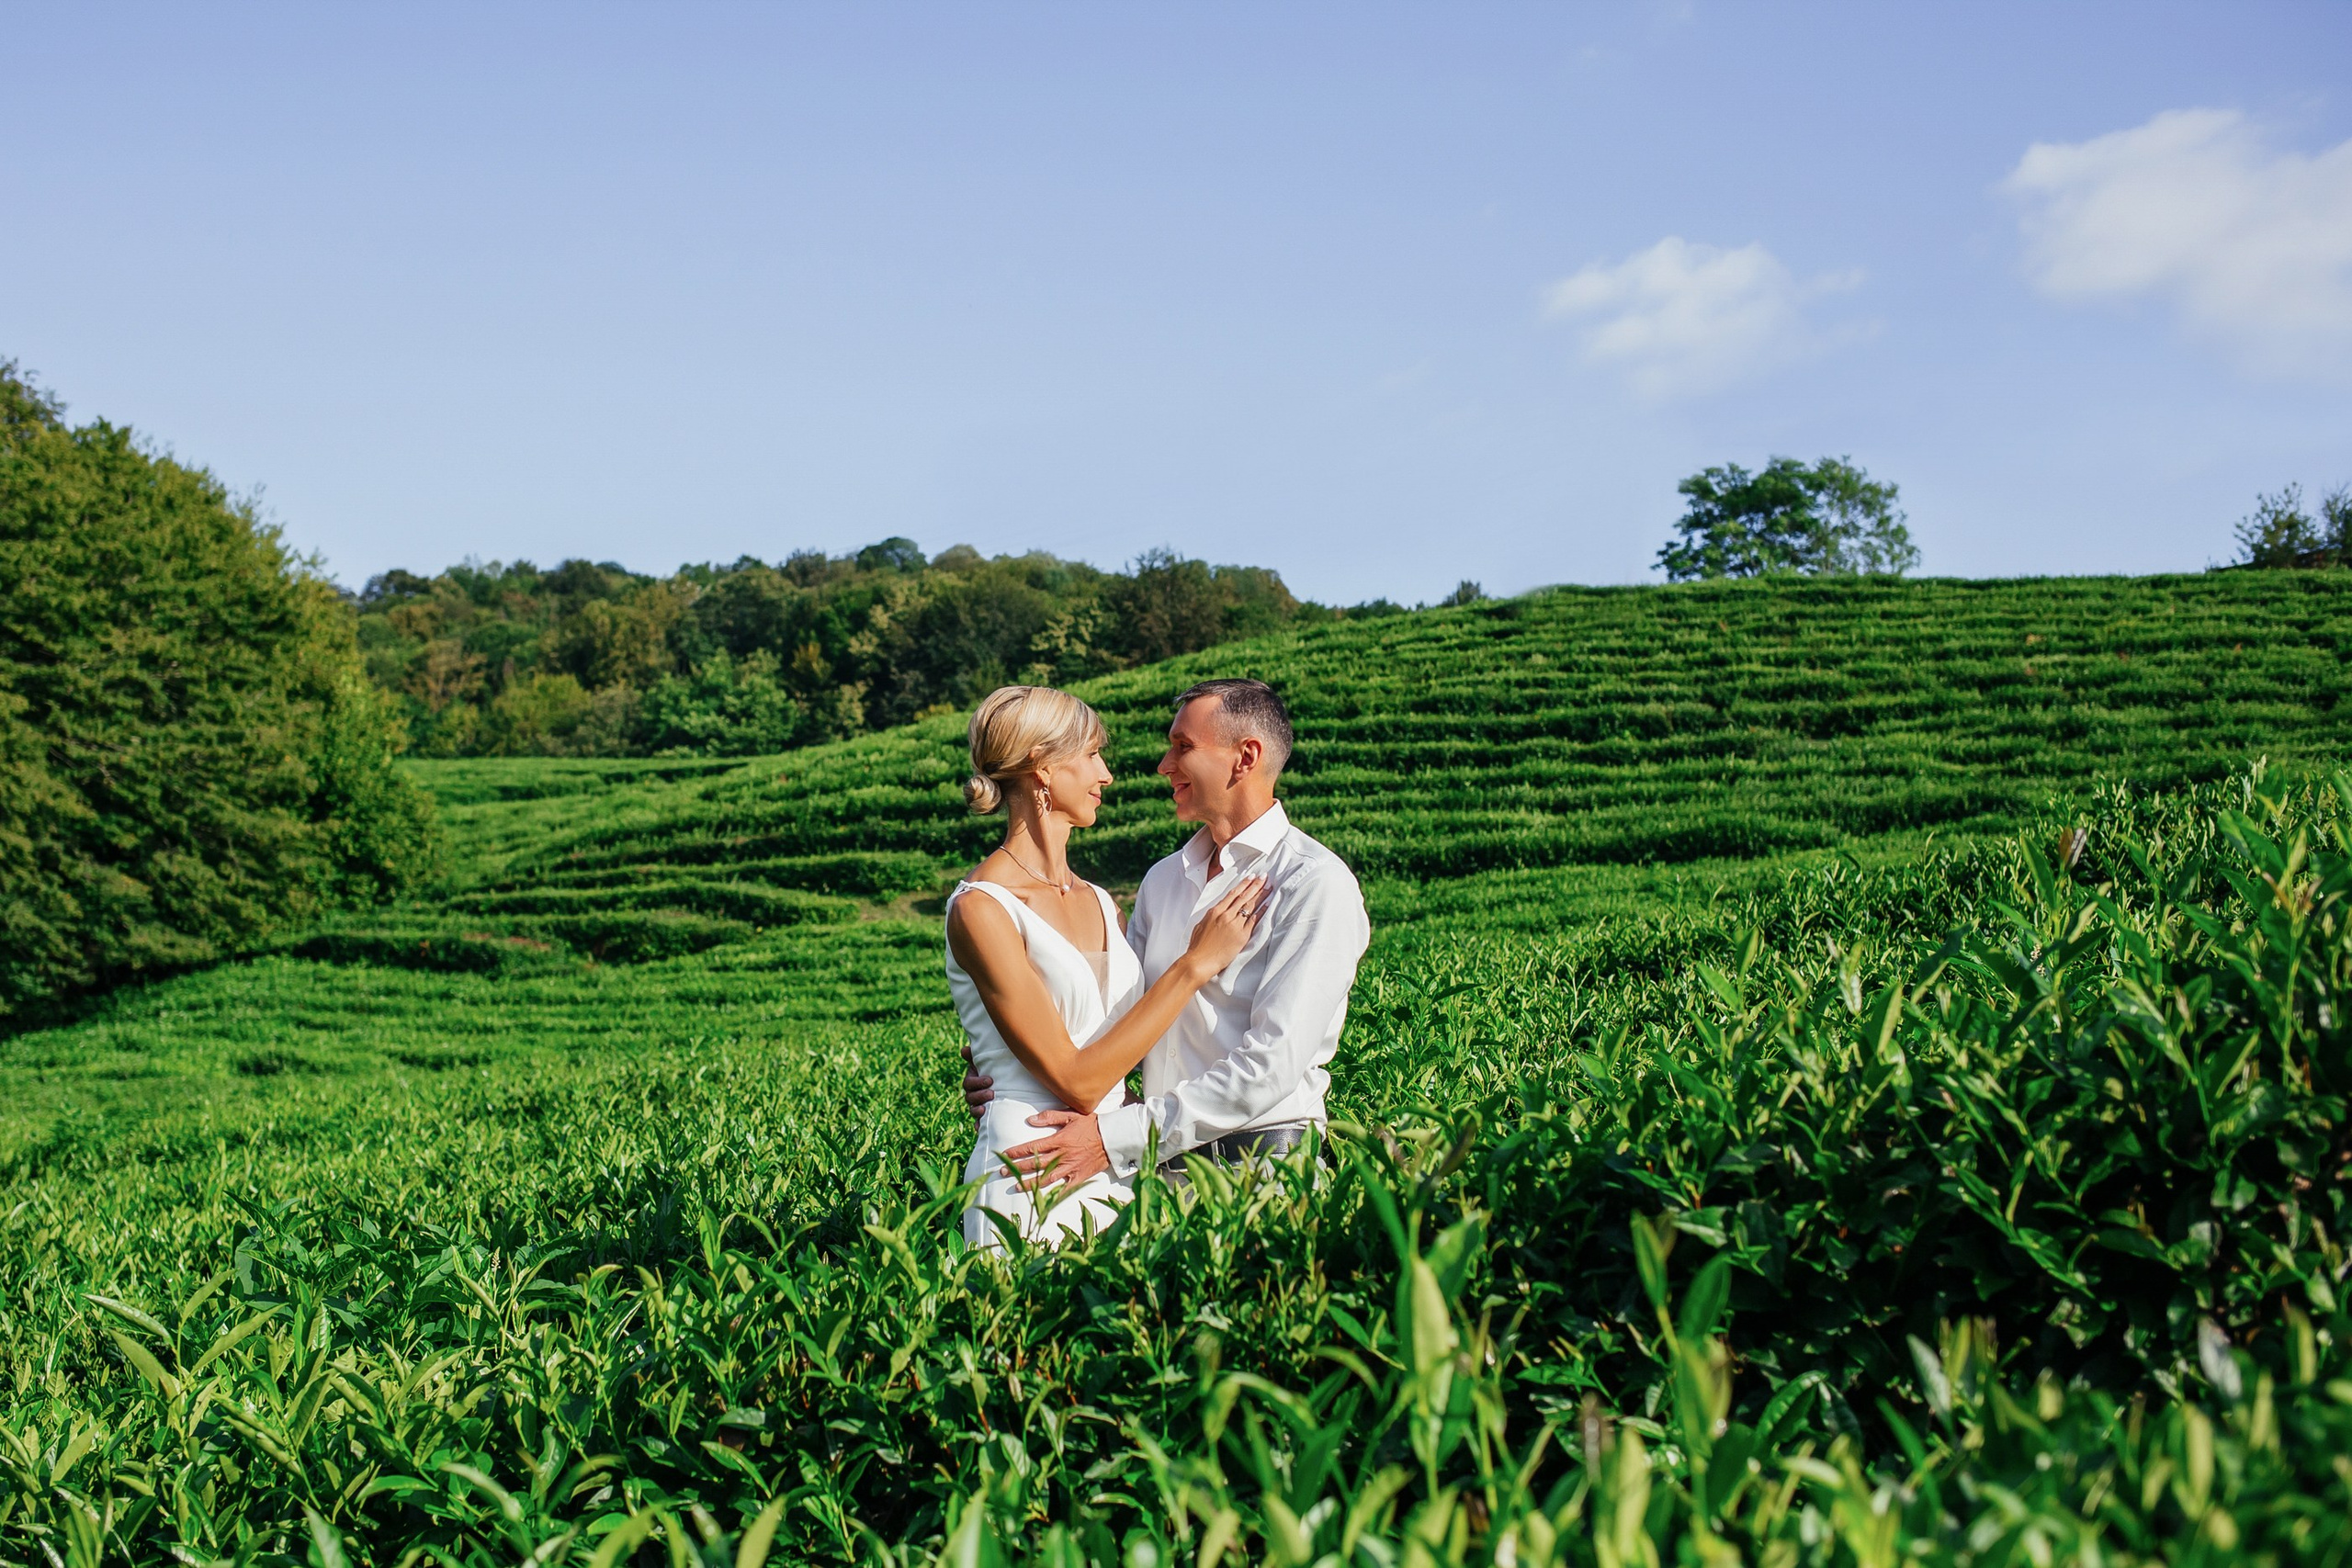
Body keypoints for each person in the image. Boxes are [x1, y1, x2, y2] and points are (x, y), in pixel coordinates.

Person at [971, 678, 1370, 1195]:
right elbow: (1115, 1017)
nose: (1164, 764)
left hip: (1264, 1174)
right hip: (1157, 1175)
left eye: (1183, 747)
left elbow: (1272, 1066)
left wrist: (1116, 1137)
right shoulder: (1163, 882)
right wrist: (1009, 1070)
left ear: (1245, 757)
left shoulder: (1313, 882)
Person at [946, 684, 1270, 1249]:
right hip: (1032, 1164)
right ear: (1043, 767)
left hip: (1112, 1161)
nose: (1107, 775)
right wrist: (1195, 964)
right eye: (1092, 755)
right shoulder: (981, 909)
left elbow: (1127, 1039)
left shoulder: (1102, 903)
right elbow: (1078, 1082)